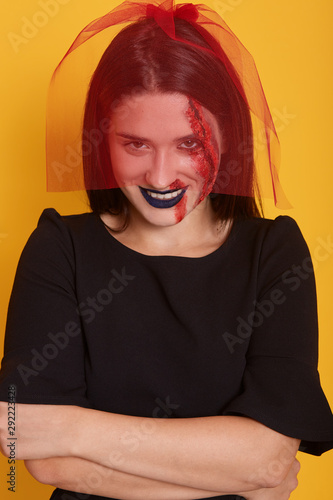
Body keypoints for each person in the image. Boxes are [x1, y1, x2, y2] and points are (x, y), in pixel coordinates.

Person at [0, 1, 332, 499]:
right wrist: (237, 472)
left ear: (229, 134)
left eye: (188, 144)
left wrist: (69, 429)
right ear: (102, 138)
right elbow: (40, 459)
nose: (159, 177)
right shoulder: (60, 247)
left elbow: (269, 458)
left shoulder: (274, 254)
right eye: (135, 144)